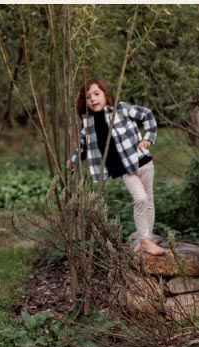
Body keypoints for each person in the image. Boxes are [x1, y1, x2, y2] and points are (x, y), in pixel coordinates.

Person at [69, 77, 166, 256]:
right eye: (89, 97)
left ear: (106, 94)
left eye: (97, 94)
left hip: (143, 162)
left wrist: (148, 138)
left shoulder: (119, 109)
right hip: (125, 170)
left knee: (149, 202)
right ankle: (144, 240)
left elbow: (147, 115)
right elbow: (84, 147)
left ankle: (147, 239)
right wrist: (74, 160)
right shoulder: (87, 123)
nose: (93, 99)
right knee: (140, 199)